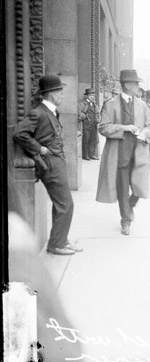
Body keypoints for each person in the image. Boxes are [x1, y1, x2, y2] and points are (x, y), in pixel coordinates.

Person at [14, 74, 82, 255]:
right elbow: (20, 133)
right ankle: (56, 245)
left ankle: (60, 240)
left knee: (62, 204)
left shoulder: (51, 111)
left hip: (56, 161)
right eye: (60, 92)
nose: (62, 95)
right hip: (50, 163)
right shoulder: (38, 112)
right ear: (51, 94)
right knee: (65, 204)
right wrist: (40, 149)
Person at [96, 69, 150, 236]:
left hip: (139, 154)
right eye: (136, 83)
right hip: (119, 154)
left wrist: (143, 134)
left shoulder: (142, 105)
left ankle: (129, 205)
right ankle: (125, 220)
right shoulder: (110, 104)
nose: (138, 87)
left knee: (139, 188)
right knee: (122, 189)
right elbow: (103, 127)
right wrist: (124, 128)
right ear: (127, 85)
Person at [78, 88, 100, 160]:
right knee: (86, 141)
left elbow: (97, 113)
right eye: (90, 95)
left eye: (93, 95)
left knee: (93, 140)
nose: (92, 97)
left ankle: (92, 154)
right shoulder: (83, 103)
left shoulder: (94, 104)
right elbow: (80, 113)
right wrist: (84, 115)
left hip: (94, 125)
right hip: (86, 125)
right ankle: (86, 155)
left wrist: (98, 119)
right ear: (87, 96)